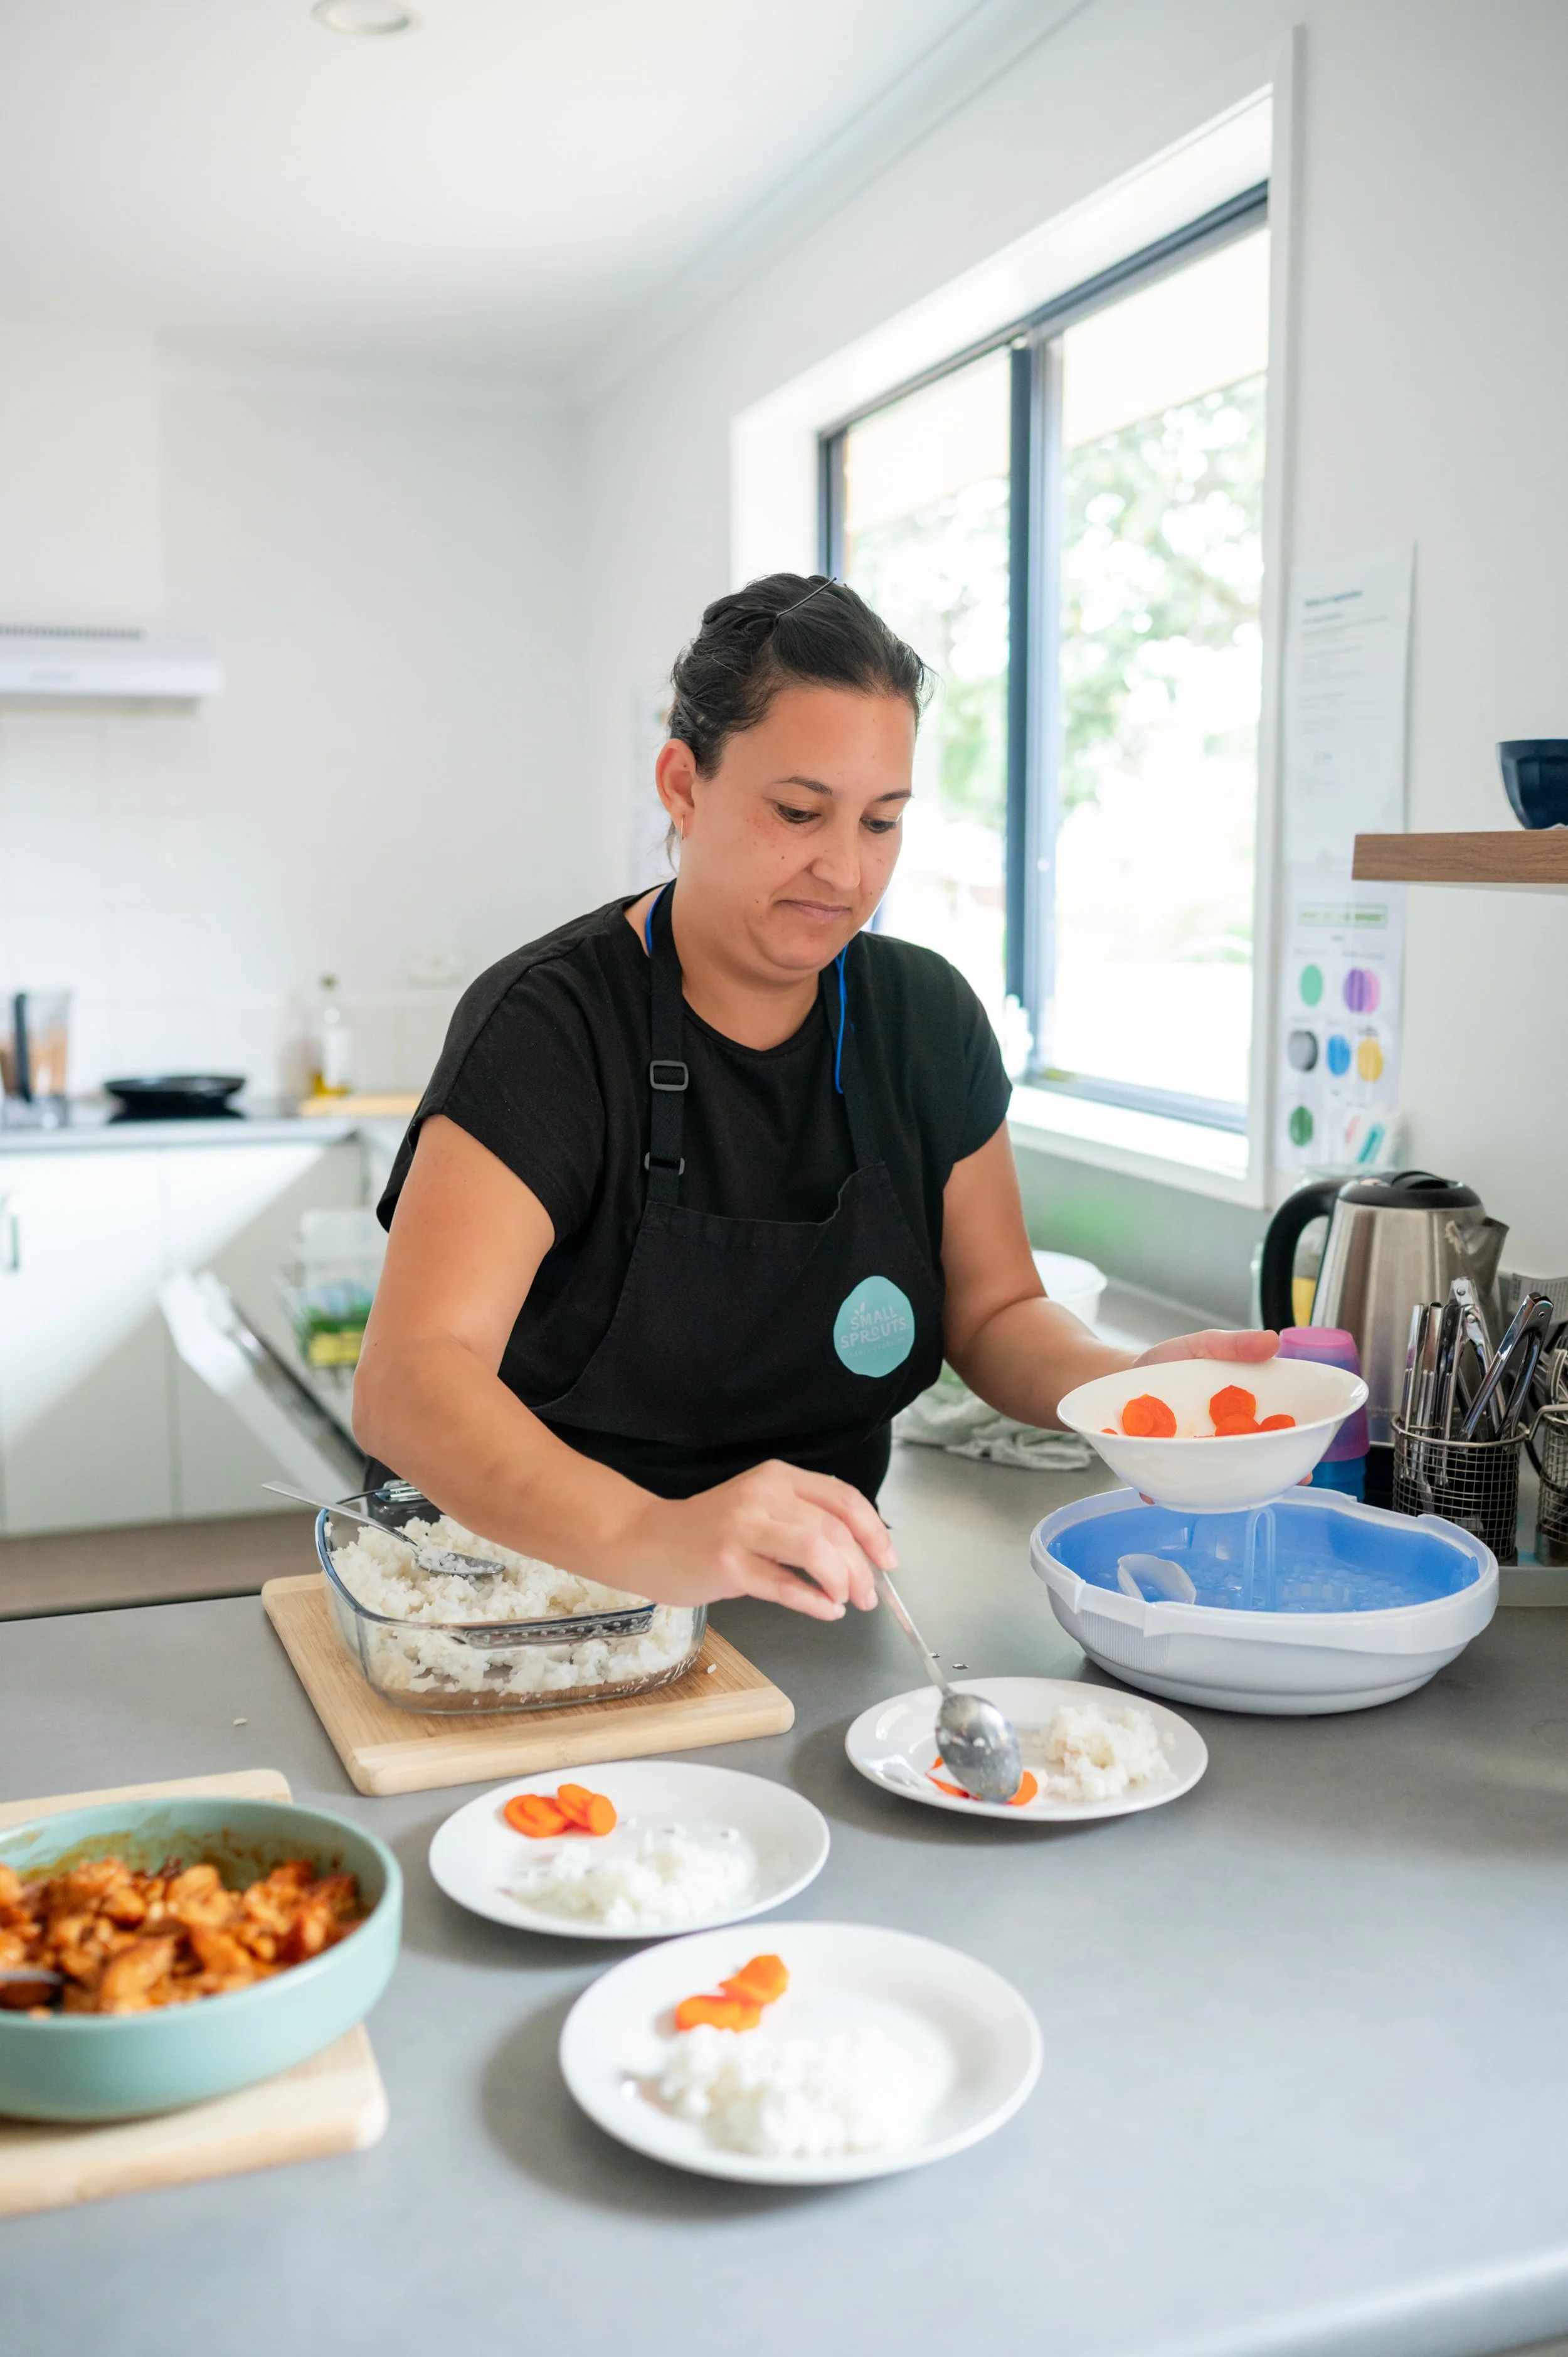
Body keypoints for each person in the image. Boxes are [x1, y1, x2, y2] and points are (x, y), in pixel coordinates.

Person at [355, 573, 1275, 1624]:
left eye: (882, 822)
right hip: (529, 1600)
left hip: (815, 1605)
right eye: (800, 812)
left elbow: (998, 1311)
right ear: (683, 785)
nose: (844, 870)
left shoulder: (924, 1023)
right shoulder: (551, 1028)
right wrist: (654, 1537)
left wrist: (1130, 1387)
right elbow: (411, 1380)